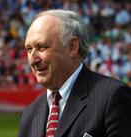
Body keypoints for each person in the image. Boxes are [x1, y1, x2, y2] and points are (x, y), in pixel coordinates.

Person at [18, 9, 131, 137]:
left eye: (41, 47)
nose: (33, 59)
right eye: (29, 49)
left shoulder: (112, 97)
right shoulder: (28, 115)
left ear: (72, 47)